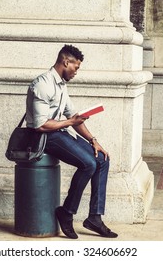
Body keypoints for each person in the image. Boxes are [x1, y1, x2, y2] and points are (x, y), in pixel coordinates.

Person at [25, 44, 117, 239]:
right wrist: (70, 122)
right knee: (88, 163)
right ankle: (66, 212)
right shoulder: (43, 84)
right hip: (43, 137)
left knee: (101, 158)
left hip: (59, 132)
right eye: (76, 67)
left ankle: (95, 217)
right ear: (66, 62)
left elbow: (74, 117)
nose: (76, 72)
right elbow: (40, 125)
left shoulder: (61, 85)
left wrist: (93, 140)